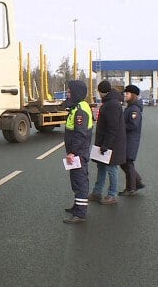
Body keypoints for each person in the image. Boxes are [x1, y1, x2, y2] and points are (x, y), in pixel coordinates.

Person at [89, 80, 126, 205]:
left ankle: (112, 195)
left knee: (111, 169)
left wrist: (105, 145)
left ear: (101, 92)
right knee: (101, 167)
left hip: (111, 145)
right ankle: (97, 192)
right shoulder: (110, 103)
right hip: (105, 143)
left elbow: (112, 128)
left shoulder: (112, 105)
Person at [63, 80, 93, 224]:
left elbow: (80, 134)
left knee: (80, 181)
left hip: (78, 153)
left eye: (69, 91)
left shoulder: (80, 110)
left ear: (76, 93)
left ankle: (80, 214)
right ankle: (77, 206)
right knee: (76, 180)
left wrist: (72, 152)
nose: (68, 94)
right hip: (76, 152)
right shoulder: (77, 107)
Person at [119, 84, 145, 195]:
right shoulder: (130, 107)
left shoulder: (134, 109)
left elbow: (133, 125)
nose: (125, 95)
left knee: (127, 162)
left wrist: (121, 127)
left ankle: (131, 188)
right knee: (124, 162)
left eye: (127, 93)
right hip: (127, 139)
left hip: (131, 140)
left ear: (133, 95)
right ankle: (137, 182)